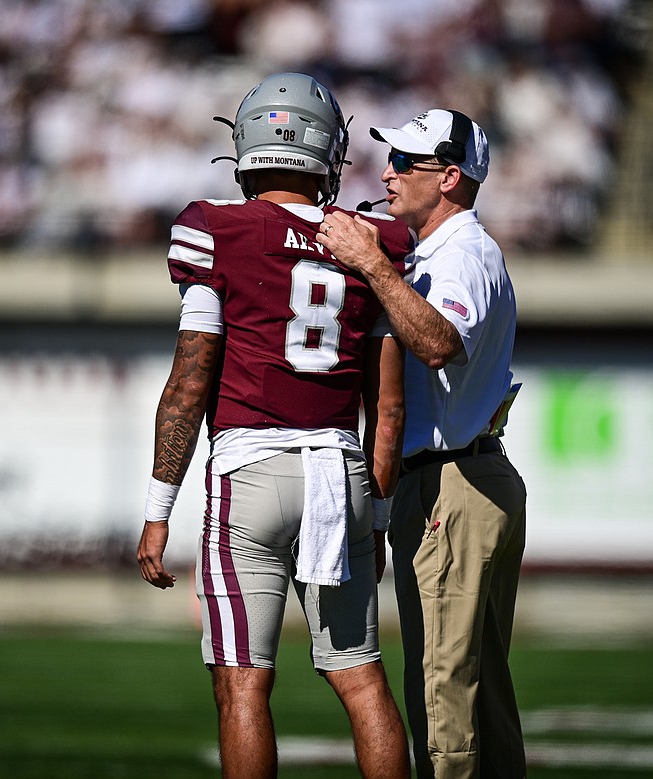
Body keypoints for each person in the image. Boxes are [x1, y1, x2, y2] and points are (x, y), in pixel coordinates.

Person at [135, 72, 414, 779]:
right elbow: (387, 408)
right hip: (339, 472)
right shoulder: (371, 239)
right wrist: (377, 516)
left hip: (249, 472)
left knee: (242, 683)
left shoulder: (215, 229)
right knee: (361, 675)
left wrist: (157, 509)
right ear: (326, 149)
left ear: (248, 143)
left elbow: (190, 382)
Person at [316, 109, 527, 779]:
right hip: (456, 477)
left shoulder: (462, 249)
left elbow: (438, 341)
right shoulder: (446, 250)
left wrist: (372, 266)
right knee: (476, 687)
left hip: (451, 482)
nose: (390, 172)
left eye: (408, 162)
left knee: (443, 690)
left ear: (451, 177)